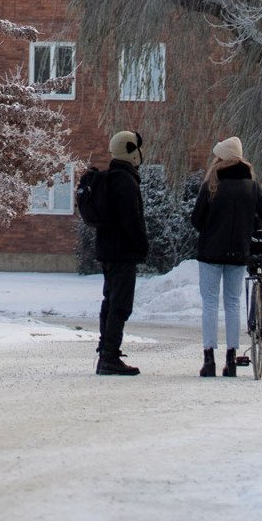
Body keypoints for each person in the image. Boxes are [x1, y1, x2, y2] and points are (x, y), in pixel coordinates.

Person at [190, 135, 262, 377]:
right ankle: (231, 359)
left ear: (222, 159)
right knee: (232, 304)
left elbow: (196, 219)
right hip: (238, 253)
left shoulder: (212, 183)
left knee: (210, 304)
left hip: (210, 252)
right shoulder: (251, 187)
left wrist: (211, 230)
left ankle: (208, 359)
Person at [94, 128, 149, 376]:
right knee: (120, 305)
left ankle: (105, 350)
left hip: (107, 250)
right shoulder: (125, 180)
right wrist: (142, 245)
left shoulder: (111, 176)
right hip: (122, 252)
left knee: (110, 301)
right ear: (131, 150)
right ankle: (110, 356)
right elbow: (132, 219)